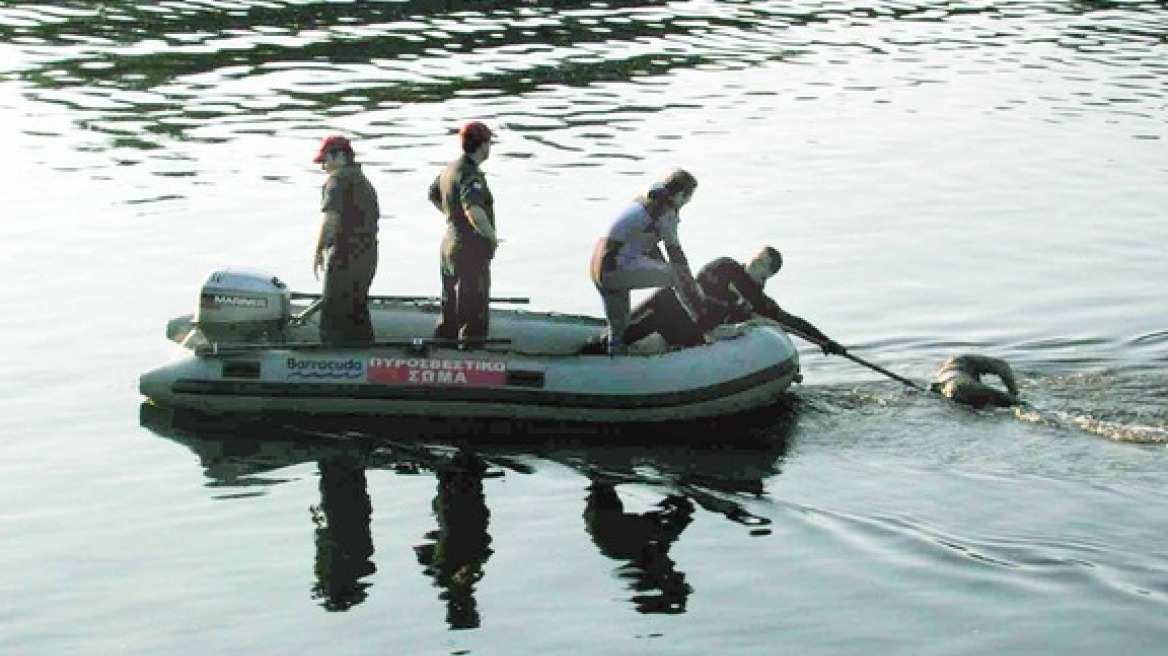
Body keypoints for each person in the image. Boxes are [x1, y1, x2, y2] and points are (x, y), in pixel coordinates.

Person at [619, 246, 847, 355]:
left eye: (760, 265)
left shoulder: (759, 303)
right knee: (663, 302)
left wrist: (824, 342)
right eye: (754, 259)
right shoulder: (726, 267)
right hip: (671, 313)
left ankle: (617, 344)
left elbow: (791, 321)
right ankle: (608, 341)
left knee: (664, 314)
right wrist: (734, 301)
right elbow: (702, 281)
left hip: (688, 334)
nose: (751, 265)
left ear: (767, 276)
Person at [590, 168, 704, 355]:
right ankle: (697, 329)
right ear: (681, 195)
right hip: (616, 268)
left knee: (618, 331)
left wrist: (664, 269)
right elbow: (676, 256)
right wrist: (695, 296)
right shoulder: (667, 212)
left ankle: (614, 362)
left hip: (599, 268)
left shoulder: (646, 201)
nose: (686, 204)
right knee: (676, 275)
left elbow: (651, 248)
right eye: (687, 199)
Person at [429, 121, 497, 349]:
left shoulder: (450, 168)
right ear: (483, 145)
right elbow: (474, 210)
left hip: (450, 243)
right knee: (473, 306)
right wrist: (490, 236)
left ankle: (442, 349)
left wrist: (452, 215)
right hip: (469, 248)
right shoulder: (469, 174)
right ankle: (472, 356)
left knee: (450, 301)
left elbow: (433, 194)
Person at [312, 134, 380, 346]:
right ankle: (364, 352)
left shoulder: (337, 181)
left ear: (340, 156)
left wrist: (318, 250)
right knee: (357, 306)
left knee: (334, 311)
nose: (323, 166)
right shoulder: (363, 180)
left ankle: (334, 358)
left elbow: (331, 219)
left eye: (325, 160)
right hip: (368, 252)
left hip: (345, 254)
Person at [930, 354, 1021, 408]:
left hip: (950, 394)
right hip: (962, 385)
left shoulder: (942, 374)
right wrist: (1014, 392)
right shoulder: (963, 361)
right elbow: (1002, 366)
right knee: (1020, 405)